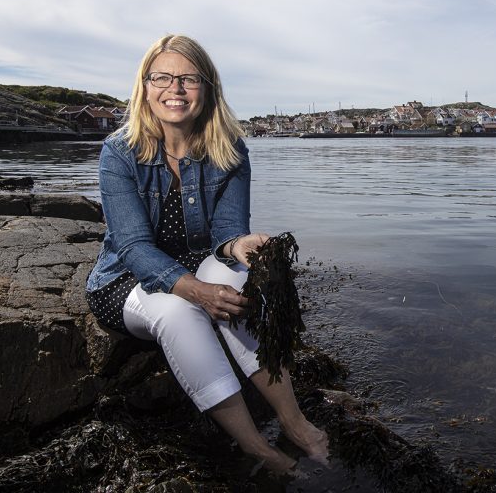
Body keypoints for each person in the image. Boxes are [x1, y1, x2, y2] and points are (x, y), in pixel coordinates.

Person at [85, 34, 328, 474]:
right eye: (162, 77)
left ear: (208, 88)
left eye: (189, 79)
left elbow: (227, 233)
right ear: (144, 86)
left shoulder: (230, 150)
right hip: (127, 281)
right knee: (180, 313)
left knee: (237, 283)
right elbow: (134, 247)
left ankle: (294, 422)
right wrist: (195, 290)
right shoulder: (118, 153)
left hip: (198, 265)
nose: (174, 89)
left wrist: (241, 246)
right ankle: (254, 445)